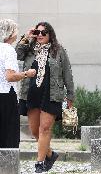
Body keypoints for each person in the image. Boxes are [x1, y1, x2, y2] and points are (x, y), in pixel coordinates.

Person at [16, 22, 74, 173]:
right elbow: (16, 54)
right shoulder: (29, 49)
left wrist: (70, 95)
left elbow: (67, 73)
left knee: (45, 129)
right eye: (38, 32)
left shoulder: (59, 51)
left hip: (51, 94)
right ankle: (50, 154)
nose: (40, 34)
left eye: (44, 32)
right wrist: (27, 37)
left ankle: (40, 163)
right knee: (35, 131)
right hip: (31, 93)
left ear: (50, 35)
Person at [0, 19, 36, 148]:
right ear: (10, 33)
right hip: (6, 96)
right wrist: (27, 73)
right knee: (9, 133)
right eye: (15, 30)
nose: (17, 33)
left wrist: (26, 37)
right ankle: (7, 165)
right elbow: (10, 76)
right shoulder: (8, 50)